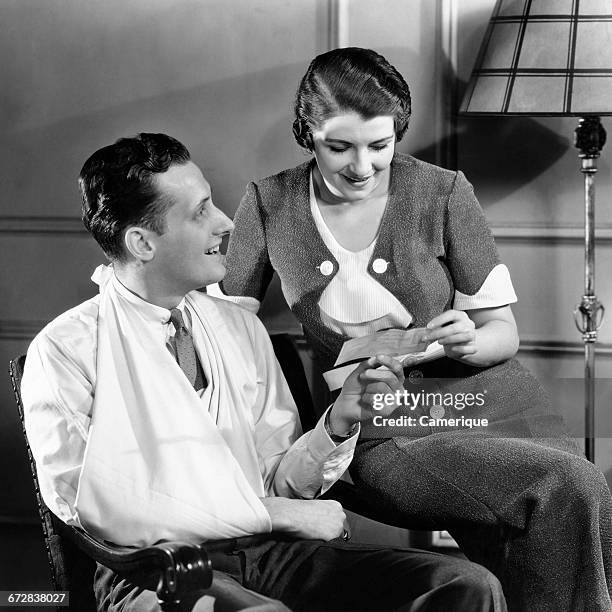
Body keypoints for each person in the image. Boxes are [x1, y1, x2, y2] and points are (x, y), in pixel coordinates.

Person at [21, 133, 507, 612]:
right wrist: (271, 515)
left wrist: (340, 420)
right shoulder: (66, 351)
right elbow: (101, 510)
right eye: (200, 211)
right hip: (155, 572)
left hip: (272, 553)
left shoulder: (237, 328)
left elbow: (278, 481)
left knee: (462, 585)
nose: (226, 222)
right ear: (142, 242)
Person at [218, 48, 612, 612]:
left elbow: (504, 331)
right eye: (340, 146)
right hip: (381, 424)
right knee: (568, 487)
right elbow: (222, 321)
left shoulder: (444, 191)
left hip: (486, 403)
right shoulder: (267, 203)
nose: (362, 166)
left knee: (562, 503)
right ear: (307, 131)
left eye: (380, 146)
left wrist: (469, 340)